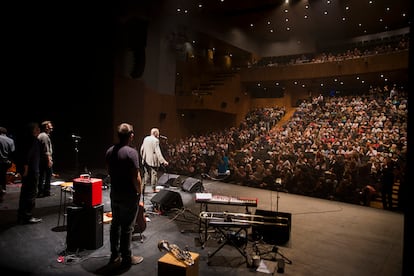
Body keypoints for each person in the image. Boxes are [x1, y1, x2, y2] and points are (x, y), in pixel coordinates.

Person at [105, 122, 144, 266]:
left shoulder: (110, 151)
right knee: (127, 227)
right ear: (131, 136)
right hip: (129, 195)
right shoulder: (131, 152)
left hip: (115, 193)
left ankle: (114, 256)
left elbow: (108, 170)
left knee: (115, 225)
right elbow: (136, 176)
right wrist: (138, 191)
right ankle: (127, 257)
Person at [16, 122, 42, 224]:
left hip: (29, 171)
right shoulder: (33, 140)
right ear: (33, 130)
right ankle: (28, 216)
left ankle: (21, 215)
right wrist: (26, 169)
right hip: (31, 171)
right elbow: (27, 156)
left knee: (25, 193)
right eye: (37, 128)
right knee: (30, 194)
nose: (39, 129)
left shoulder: (26, 140)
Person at [140, 128, 168, 193]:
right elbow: (158, 152)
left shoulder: (146, 138)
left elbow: (142, 149)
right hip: (153, 161)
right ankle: (153, 189)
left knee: (145, 175)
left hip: (146, 160)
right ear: (155, 133)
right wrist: (163, 161)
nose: (159, 134)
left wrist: (143, 157)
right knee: (154, 174)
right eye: (158, 133)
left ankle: (142, 189)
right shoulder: (156, 140)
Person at [37, 120, 54, 197]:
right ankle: (46, 191)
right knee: (47, 176)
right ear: (46, 127)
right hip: (44, 159)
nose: (52, 127)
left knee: (42, 176)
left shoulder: (42, 135)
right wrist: (49, 160)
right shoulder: (44, 136)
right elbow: (46, 150)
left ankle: (41, 191)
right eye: (50, 125)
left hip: (41, 159)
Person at [0, 127, 15, 202]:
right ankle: (3, 190)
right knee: (2, 176)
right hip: (6, 162)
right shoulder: (10, 140)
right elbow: (13, 152)